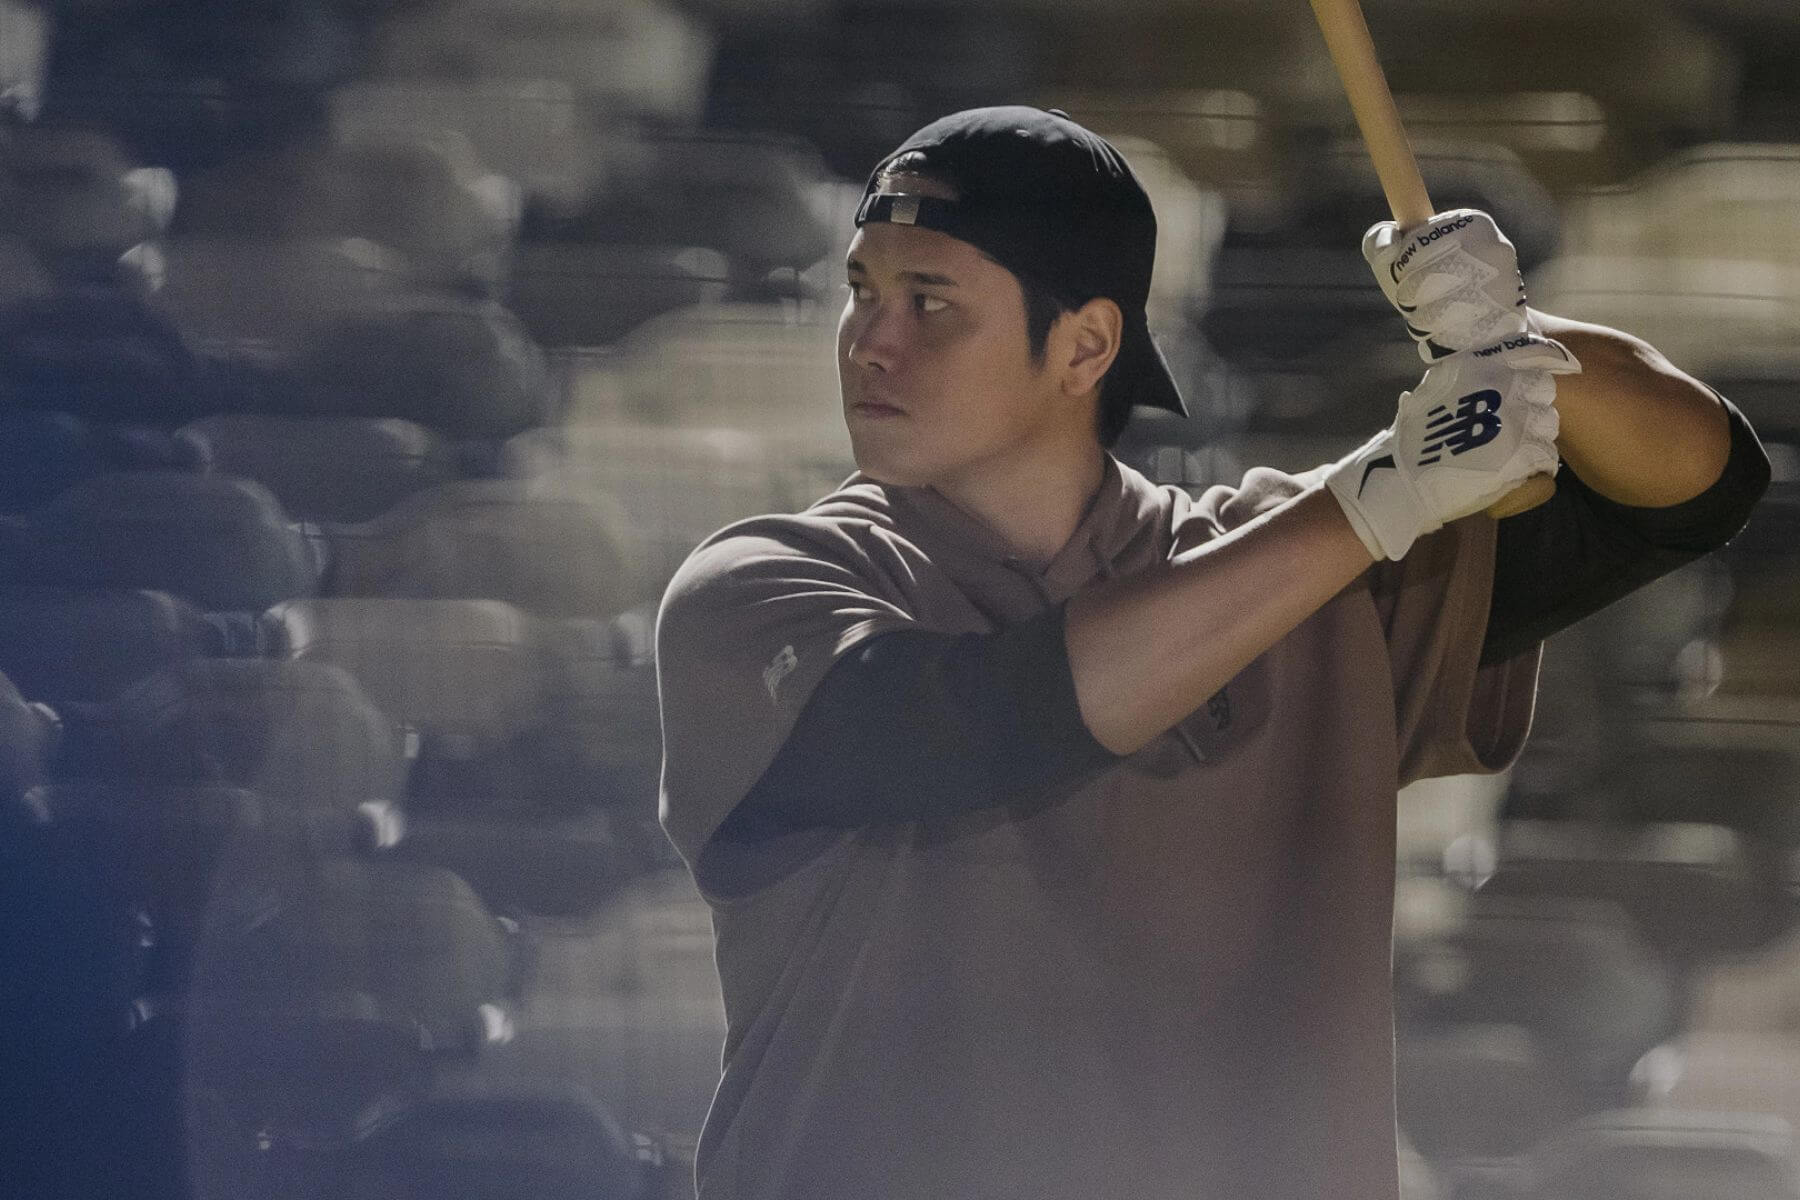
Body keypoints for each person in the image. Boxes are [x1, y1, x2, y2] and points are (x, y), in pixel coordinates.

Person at [652, 106, 1771, 1200]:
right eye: (861, 291)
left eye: (929, 301)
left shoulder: (1304, 570)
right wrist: (1368, 506)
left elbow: (1698, 484)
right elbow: (973, 721)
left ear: (1086, 345)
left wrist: (1518, 342)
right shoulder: (762, 586)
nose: (870, 341)